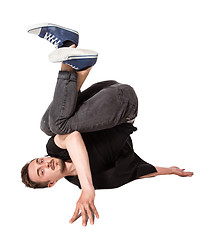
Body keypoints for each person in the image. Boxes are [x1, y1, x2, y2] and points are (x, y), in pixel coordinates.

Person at [21, 23, 194, 227]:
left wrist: (88, 189)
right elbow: (138, 172)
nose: (45, 163)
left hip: (102, 92)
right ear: (51, 183)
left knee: (48, 126)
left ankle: (71, 53)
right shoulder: (98, 179)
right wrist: (171, 170)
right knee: (56, 124)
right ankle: (70, 52)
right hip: (123, 106)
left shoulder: (55, 150)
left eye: (39, 161)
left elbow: (73, 138)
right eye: (42, 171)